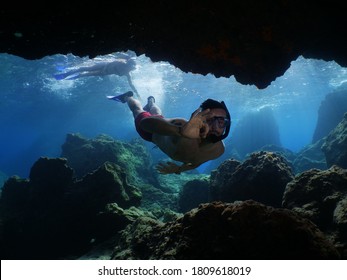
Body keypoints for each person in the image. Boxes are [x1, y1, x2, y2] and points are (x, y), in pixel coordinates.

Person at [107, 91, 231, 175]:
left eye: (221, 122)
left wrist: (179, 169)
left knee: (157, 114)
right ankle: (127, 97)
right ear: (200, 119)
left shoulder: (218, 151)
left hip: (161, 127)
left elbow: (196, 162)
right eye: (209, 120)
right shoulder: (182, 125)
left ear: (227, 124)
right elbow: (145, 124)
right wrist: (181, 132)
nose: (215, 127)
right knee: (137, 110)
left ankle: (151, 103)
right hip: (152, 134)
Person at [54, 55, 139, 98]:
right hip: (103, 65)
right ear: (128, 63)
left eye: (131, 67)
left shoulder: (127, 73)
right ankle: (65, 74)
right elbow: (110, 63)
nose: (130, 68)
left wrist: (136, 93)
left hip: (105, 73)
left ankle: (74, 77)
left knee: (86, 74)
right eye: (129, 65)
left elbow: (131, 84)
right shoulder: (121, 62)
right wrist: (104, 69)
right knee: (86, 68)